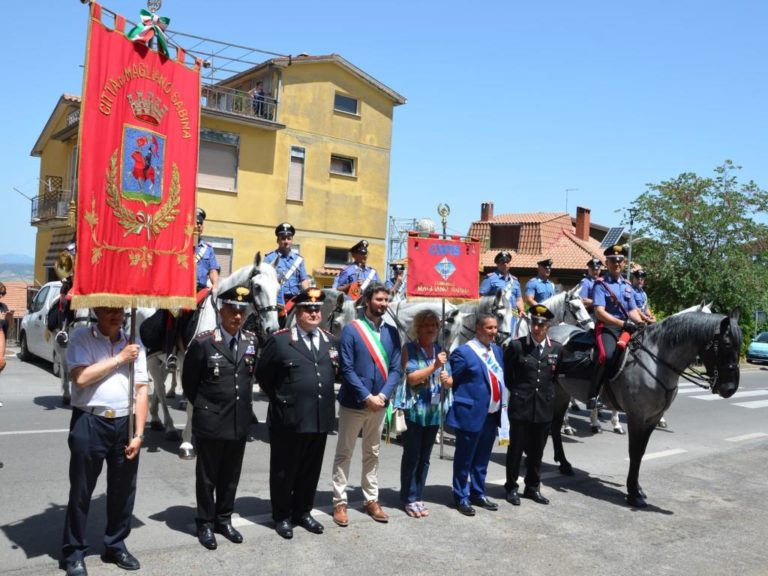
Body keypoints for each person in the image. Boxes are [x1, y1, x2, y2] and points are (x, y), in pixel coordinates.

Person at [60, 307, 148, 576]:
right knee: (81, 490)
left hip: (125, 422)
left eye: (119, 310)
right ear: (97, 310)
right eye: (109, 309)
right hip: (90, 420)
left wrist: (139, 433)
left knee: (123, 490)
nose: (116, 315)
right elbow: (81, 377)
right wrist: (120, 358)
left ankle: (115, 545)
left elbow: (141, 389)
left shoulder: (134, 341)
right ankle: (74, 552)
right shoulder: (81, 337)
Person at [256, 288, 340, 539]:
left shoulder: (329, 340)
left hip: (319, 417)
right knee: (284, 470)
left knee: (310, 470)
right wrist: (285, 399)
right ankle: (282, 516)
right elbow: (264, 375)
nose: (314, 314)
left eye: (317, 310)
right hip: (289, 418)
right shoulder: (280, 340)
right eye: (308, 309)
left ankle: (303, 511)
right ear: (298, 312)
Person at [182, 284, 257, 550]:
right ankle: (205, 522)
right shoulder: (204, 342)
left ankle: (224, 519)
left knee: (230, 476)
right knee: (207, 477)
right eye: (232, 310)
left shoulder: (251, 341)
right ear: (221, 310)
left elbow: (249, 378)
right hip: (211, 421)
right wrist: (206, 408)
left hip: (238, 420)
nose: (237, 316)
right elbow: (189, 383)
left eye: (242, 311)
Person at [331, 283, 402, 526]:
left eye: (386, 300)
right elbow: (346, 368)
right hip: (354, 403)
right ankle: (340, 502)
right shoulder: (351, 330)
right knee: (345, 453)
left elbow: (396, 368)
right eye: (379, 299)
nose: (383, 304)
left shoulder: (392, 332)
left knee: (372, 453)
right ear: (368, 300)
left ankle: (371, 499)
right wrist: (366, 396)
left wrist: (382, 395)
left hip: (380, 404)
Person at [503, 304, 562, 506]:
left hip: (544, 407)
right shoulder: (517, 346)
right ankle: (511, 487)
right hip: (521, 406)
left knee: (537, 451)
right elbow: (508, 376)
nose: (537, 328)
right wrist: (519, 393)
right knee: (516, 450)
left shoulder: (556, 349)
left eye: (541, 325)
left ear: (548, 326)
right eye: (534, 323)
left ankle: (532, 487)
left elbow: (555, 376)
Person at [446, 313, 503, 516]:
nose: (493, 332)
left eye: (495, 327)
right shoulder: (464, 352)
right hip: (470, 413)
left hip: (491, 414)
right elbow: (453, 380)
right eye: (489, 328)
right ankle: (461, 496)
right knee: (465, 458)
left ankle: (478, 493)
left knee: (482, 459)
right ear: (478, 329)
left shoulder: (497, 351)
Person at [398, 309, 453, 518]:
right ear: (418, 327)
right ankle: (409, 497)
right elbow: (412, 378)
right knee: (412, 456)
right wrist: (434, 366)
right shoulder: (409, 349)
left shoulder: (441, 350)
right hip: (415, 411)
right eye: (426, 325)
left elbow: (450, 381)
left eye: (434, 325)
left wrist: (447, 380)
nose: (431, 329)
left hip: (433, 412)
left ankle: (418, 495)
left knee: (425, 458)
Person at [585, 245, 645, 409]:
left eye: (619, 261)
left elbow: (632, 310)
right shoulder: (601, 284)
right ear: (607, 263)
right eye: (613, 261)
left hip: (626, 328)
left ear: (624, 263)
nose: (616, 264)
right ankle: (593, 395)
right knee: (607, 356)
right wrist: (622, 323)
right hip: (607, 327)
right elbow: (599, 312)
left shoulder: (627, 285)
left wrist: (641, 323)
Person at [165, 208, 220, 371]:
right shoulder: (178, 245)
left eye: (200, 223)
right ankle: (172, 352)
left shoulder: (208, 249)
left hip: (200, 290)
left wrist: (215, 284)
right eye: (195, 223)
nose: (198, 225)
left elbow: (213, 270)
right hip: (181, 290)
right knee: (175, 314)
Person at [263, 222, 310, 327]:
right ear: (278, 240)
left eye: (289, 238)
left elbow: (303, 280)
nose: (286, 241)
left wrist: (308, 294)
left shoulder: (298, 260)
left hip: (294, 301)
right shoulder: (269, 258)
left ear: (292, 240)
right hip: (276, 301)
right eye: (283, 238)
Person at [479, 251, 526, 316]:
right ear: (497, 264)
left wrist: (522, 310)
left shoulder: (515, 281)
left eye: (507, 262)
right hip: (496, 313)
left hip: (513, 313)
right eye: (502, 262)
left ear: (510, 264)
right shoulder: (490, 278)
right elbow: (481, 297)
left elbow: (519, 299)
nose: (505, 264)